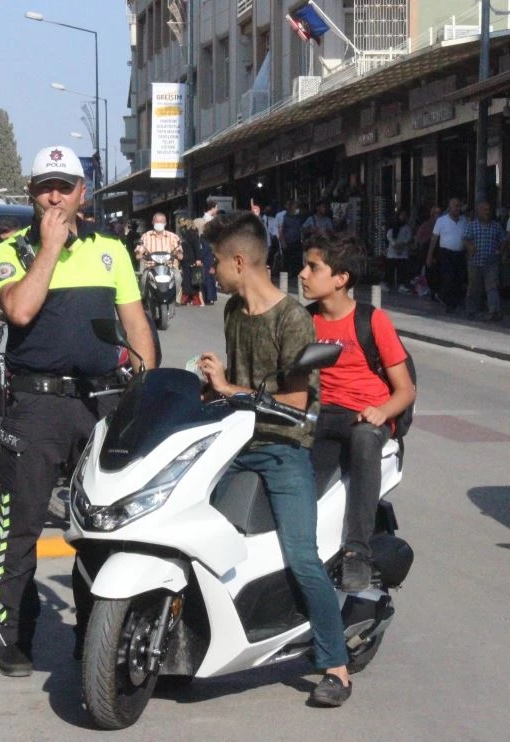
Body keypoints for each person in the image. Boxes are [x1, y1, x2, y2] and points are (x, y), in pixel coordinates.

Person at [0, 145, 156, 677]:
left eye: (65, 186)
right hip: (35, 406)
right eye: (45, 187)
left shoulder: (111, 250)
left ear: (83, 194)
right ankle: (17, 638)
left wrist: (147, 383)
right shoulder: (9, 252)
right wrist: (51, 249)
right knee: (22, 527)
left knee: (102, 527)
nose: (54, 196)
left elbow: (134, 323)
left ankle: (93, 634)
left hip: (100, 404)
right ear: (30, 195)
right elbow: (21, 309)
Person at [199, 211, 352, 707]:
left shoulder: (292, 318)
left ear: (240, 261)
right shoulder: (232, 313)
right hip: (235, 447)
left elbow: (294, 403)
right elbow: (232, 390)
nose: (212, 271)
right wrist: (209, 386)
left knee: (302, 558)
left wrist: (229, 387)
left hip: (283, 450)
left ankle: (335, 664)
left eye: (217, 262)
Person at [299, 234, 415, 593]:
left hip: (367, 415)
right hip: (324, 416)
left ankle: (357, 553)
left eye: (313, 267)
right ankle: (299, 554)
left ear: (341, 278)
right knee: (300, 478)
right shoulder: (305, 321)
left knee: (365, 440)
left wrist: (382, 412)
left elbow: (406, 390)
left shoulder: (372, 320)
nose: (302, 274)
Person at [463, 201, 505, 322]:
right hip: (474, 262)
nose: (487, 212)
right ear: (478, 211)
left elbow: (503, 240)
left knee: (492, 287)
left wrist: (500, 252)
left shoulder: (495, 226)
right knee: (474, 287)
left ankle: (494, 311)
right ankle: (471, 310)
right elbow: (465, 239)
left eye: (488, 210)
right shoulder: (472, 225)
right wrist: (470, 246)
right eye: (484, 210)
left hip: (491, 262)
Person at [427, 197, 467, 314]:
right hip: (446, 253)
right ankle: (446, 300)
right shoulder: (441, 221)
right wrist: (429, 255)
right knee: (448, 277)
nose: (457, 208)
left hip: (459, 253)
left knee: (459, 278)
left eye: (459, 206)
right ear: (449, 208)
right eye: (455, 206)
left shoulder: (464, 221)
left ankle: (455, 301)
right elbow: (434, 239)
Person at [136, 212, 183, 300]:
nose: (159, 224)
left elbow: (178, 250)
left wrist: (179, 253)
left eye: (161, 222)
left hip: (169, 267)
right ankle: (144, 298)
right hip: (151, 267)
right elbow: (140, 249)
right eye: (157, 222)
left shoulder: (172, 236)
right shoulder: (146, 236)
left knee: (178, 277)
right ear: (153, 222)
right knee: (144, 279)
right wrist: (139, 253)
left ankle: (175, 298)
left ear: (165, 223)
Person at [177, 216, 203, 306]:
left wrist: (198, 259)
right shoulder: (192, 234)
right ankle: (193, 299)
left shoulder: (188, 234)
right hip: (190, 259)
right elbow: (196, 248)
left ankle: (187, 298)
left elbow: (195, 248)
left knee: (188, 279)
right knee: (192, 279)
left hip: (188, 259)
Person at [384, 210, 412, 293]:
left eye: (404, 215)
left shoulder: (407, 227)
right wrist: (394, 244)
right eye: (401, 215)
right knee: (390, 269)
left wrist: (402, 245)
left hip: (402, 252)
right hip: (392, 252)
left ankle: (401, 285)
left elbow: (408, 238)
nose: (403, 217)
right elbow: (389, 236)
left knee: (402, 269)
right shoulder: (392, 226)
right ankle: (387, 283)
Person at [280, 200, 305, 276]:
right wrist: (283, 242)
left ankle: (296, 275)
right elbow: (281, 231)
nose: (296, 209)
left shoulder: (298, 218)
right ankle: (286, 277)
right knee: (287, 261)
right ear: (290, 207)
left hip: (297, 241)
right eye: (295, 207)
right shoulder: (284, 217)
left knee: (297, 260)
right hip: (288, 242)